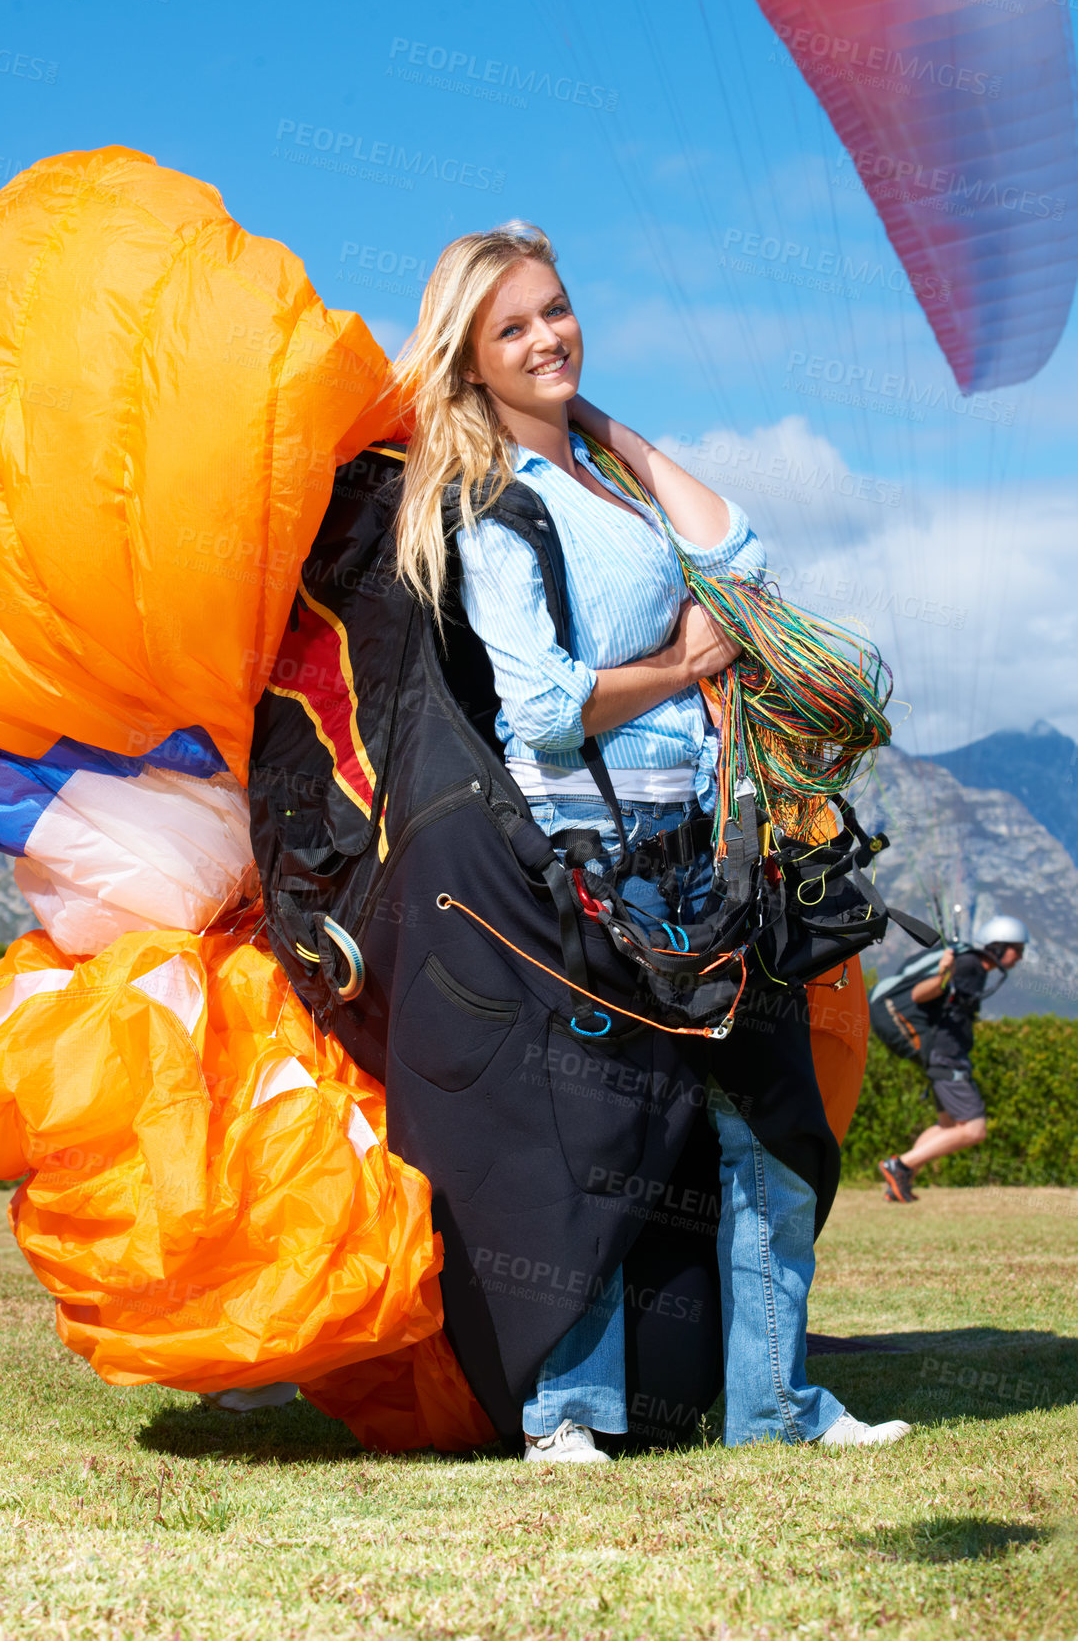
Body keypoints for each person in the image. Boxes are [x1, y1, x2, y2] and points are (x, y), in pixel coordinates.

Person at [393, 220, 910, 1463]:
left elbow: (737, 555)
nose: (544, 336)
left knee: (771, 1129)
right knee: (599, 1149)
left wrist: (609, 428)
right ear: (468, 358)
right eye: (510, 327)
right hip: (592, 859)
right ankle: (569, 1419)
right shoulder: (491, 510)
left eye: (556, 310)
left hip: (699, 850)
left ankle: (774, 1405)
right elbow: (543, 706)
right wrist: (679, 662)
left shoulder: (600, 478)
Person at [879, 916, 1029, 1204]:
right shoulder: (970, 965)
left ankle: (900, 1185)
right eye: (1017, 949)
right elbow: (918, 994)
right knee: (974, 1130)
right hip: (948, 1058)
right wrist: (944, 975)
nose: (1020, 957)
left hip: (942, 1056)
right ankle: (900, 1166)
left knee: (947, 1127)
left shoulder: (977, 968)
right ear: (998, 947)